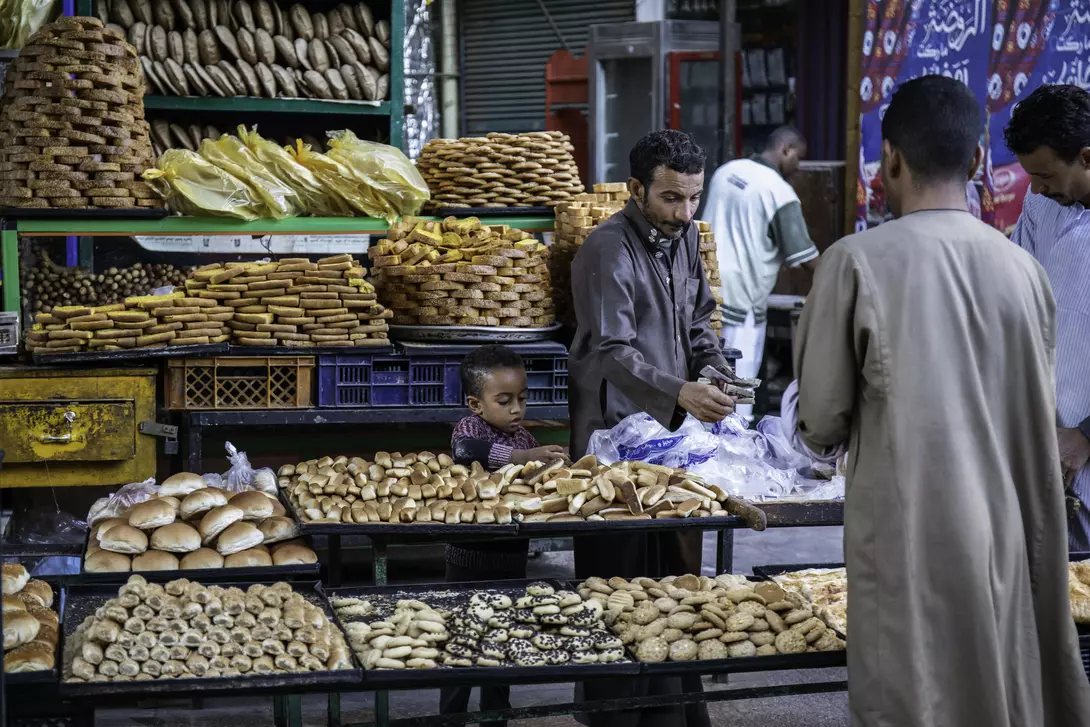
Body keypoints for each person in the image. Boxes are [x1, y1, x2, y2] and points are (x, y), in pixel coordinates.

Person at [787, 75, 1090, 727]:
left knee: (915, 696)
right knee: (996, 689)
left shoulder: (854, 262)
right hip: (1007, 536)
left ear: (890, 159)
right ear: (979, 161)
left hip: (907, 539)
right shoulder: (1025, 271)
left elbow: (819, 421)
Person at [568, 129, 735, 727]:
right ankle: (614, 718)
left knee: (678, 583)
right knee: (618, 585)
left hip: (671, 437)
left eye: (694, 198)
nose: (685, 212)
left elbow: (699, 318)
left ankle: (673, 714)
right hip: (612, 443)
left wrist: (712, 366)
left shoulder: (685, 237)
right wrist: (679, 389)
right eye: (670, 198)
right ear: (636, 189)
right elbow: (609, 350)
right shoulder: (608, 249)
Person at [440, 345, 566, 727]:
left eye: (522, 399)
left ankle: (495, 719)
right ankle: (451, 719)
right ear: (476, 404)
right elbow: (465, 452)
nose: (516, 409)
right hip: (467, 562)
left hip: (512, 560)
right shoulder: (469, 428)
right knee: (461, 646)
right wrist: (520, 459)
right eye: (504, 400)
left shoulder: (526, 439)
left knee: (502, 645)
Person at [1003, 84, 1090, 552]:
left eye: (1045, 175)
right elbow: (1019, 305)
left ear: (1087, 157)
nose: (1036, 187)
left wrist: (1085, 434)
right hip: (1048, 449)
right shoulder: (1040, 206)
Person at [703, 125, 819, 419]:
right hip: (742, 304)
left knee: (704, 380)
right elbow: (805, 256)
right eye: (798, 158)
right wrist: (839, 275)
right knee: (738, 394)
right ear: (786, 149)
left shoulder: (726, 171)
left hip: (705, 290)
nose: (798, 167)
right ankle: (735, 444)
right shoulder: (778, 191)